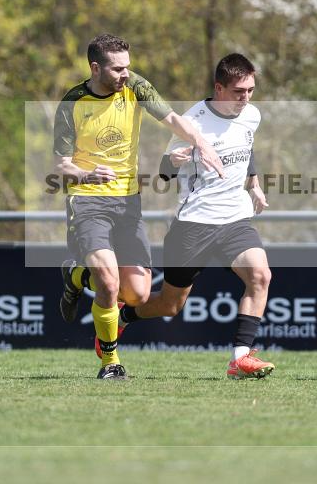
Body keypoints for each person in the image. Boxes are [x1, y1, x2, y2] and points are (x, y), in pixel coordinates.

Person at [53, 33, 224, 380]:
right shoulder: (72, 103)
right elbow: (61, 165)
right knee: (107, 281)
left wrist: (201, 144)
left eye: (127, 67)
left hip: (128, 202)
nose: (125, 74)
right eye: (117, 69)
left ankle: (74, 276)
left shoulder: (135, 86)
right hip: (87, 200)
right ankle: (110, 362)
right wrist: (87, 175)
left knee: (137, 293)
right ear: (96, 68)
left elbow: (172, 118)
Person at [109, 52, 276, 379]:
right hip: (194, 225)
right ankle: (123, 315)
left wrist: (254, 184)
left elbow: (247, 145)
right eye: (239, 91)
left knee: (260, 276)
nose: (246, 98)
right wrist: (174, 161)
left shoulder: (251, 115)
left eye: (250, 91)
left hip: (235, 220)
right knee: (170, 305)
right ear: (219, 88)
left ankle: (240, 358)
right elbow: (164, 172)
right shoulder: (192, 123)